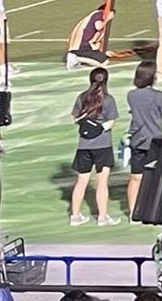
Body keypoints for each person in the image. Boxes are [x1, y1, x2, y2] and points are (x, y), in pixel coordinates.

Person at [67, 66, 122, 226]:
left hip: (84, 146)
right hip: (102, 145)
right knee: (102, 182)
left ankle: (75, 216)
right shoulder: (108, 99)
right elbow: (111, 123)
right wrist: (99, 127)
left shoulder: (82, 97)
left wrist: (87, 126)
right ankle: (102, 217)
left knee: (81, 180)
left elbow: (75, 119)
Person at [123, 61, 162, 219]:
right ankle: (153, 209)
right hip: (156, 140)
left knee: (135, 177)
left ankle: (133, 211)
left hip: (138, 139)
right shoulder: (159, 95)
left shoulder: (132, 95)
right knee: (156, 176)